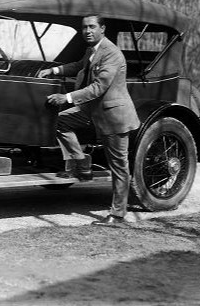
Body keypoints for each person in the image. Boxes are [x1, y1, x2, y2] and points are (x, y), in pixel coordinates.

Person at [37, 15, 141, 227]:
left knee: (119, 166)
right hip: (93, 112)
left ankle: (118, 215)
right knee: (61, 121)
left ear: (102, 28)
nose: (87, 31)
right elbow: (78, 66)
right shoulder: (92, 51)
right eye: (84, 27)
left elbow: (99, 87)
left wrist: (66, 98)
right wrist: (54, 70)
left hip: (114, 117)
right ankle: (81, 161)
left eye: (92, 27)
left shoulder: (111, 53)